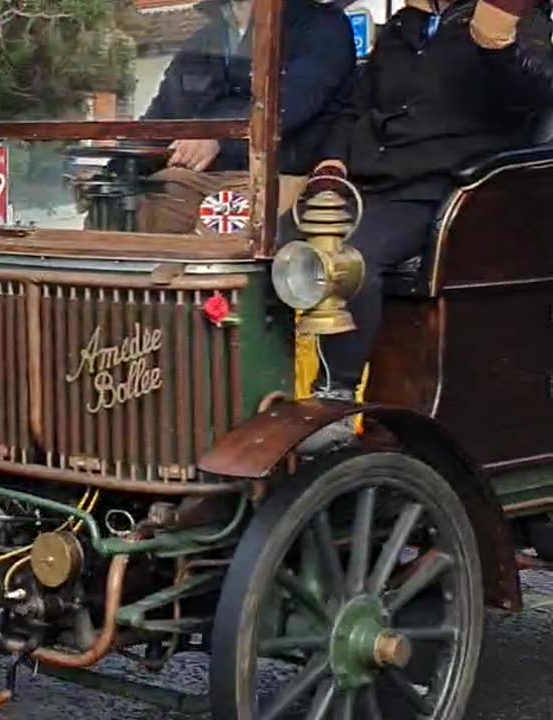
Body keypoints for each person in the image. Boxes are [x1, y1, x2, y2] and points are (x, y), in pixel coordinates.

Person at [298, 0, 553, 450]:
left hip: (443, 191)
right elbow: (356, 108)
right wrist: (332, 159)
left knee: (350, 254)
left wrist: (495, 43)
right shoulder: (404, 26)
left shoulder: (516, 21)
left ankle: (335, 400)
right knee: (263, 247)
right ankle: (257, 396)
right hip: (364, 186)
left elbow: (529, 98)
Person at [127, 0, 356, 233]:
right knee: (143, 222)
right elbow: (165, 113)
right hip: (197, 175)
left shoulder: (321, 26)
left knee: (217, 256)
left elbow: (293, 101)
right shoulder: (204, 40)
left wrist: (219, 138)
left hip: (273, 172)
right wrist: (121, 160)